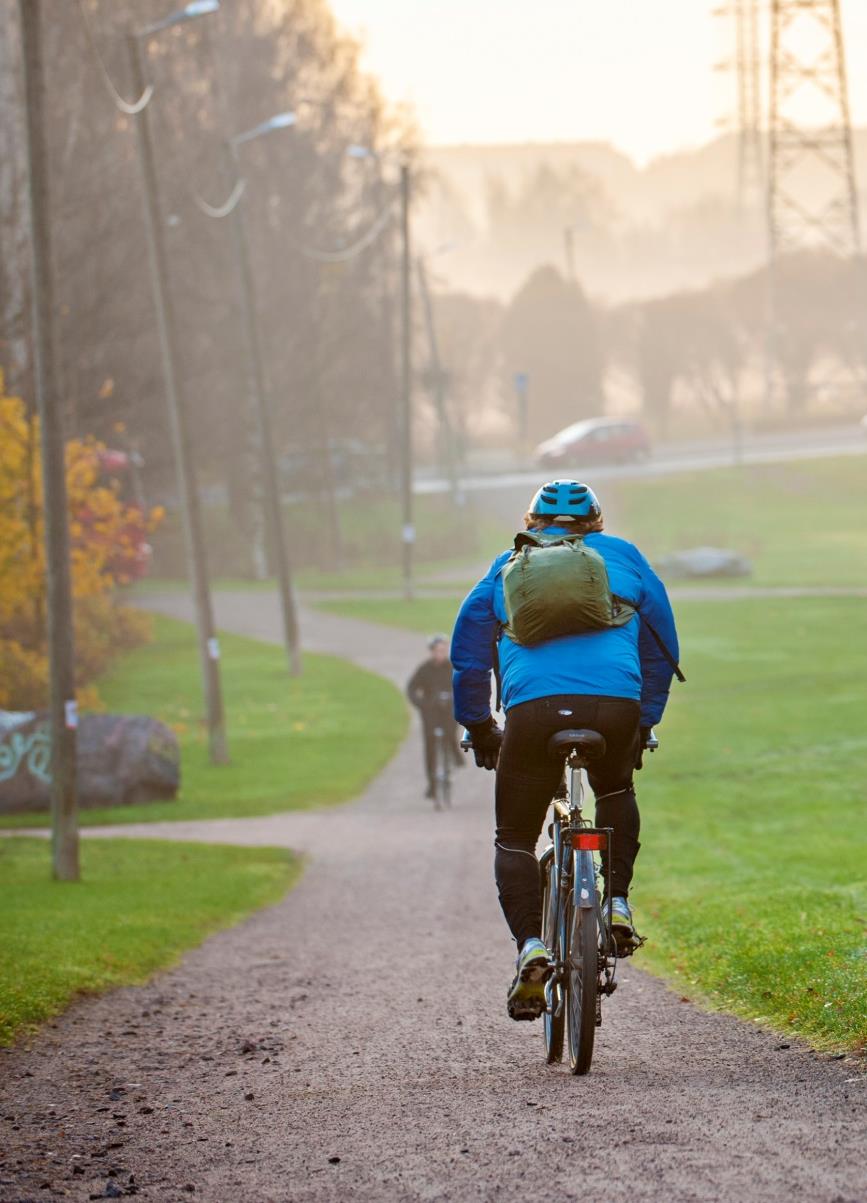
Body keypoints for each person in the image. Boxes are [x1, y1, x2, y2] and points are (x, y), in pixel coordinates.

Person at [451, 480, 680, 1020]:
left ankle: (531, 947)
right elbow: (661, 646)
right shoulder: (624, 557)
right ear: (595, 524)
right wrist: (643, 722)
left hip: (533, 712)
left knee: (513, 838)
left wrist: (481, 727)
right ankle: (618, 903)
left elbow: (468, 655)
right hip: (614, 706)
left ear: (533, 524)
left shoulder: (507, 564)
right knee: (616, 786)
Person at [407, 634, 464, 799]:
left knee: (450, 731)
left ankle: (454, 753)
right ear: (432, 652)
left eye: (444, 650)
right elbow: (411, 688)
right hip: (431, 713)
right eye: (438, 650)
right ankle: (432, 785)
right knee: (431, 747)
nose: (441, 653)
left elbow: (465, 686)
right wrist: (422, 704)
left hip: (449, 711)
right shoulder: (424, 669)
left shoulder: (453, 668)